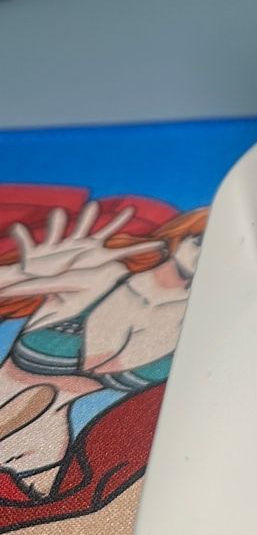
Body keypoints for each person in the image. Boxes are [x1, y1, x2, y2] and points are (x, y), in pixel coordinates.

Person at [0, 202, 206, 501]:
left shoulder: (202, 325)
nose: (204, 256)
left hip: (40, 459)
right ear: (179, 236)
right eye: (200, 241)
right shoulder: (107, 275)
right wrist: (20, 273)